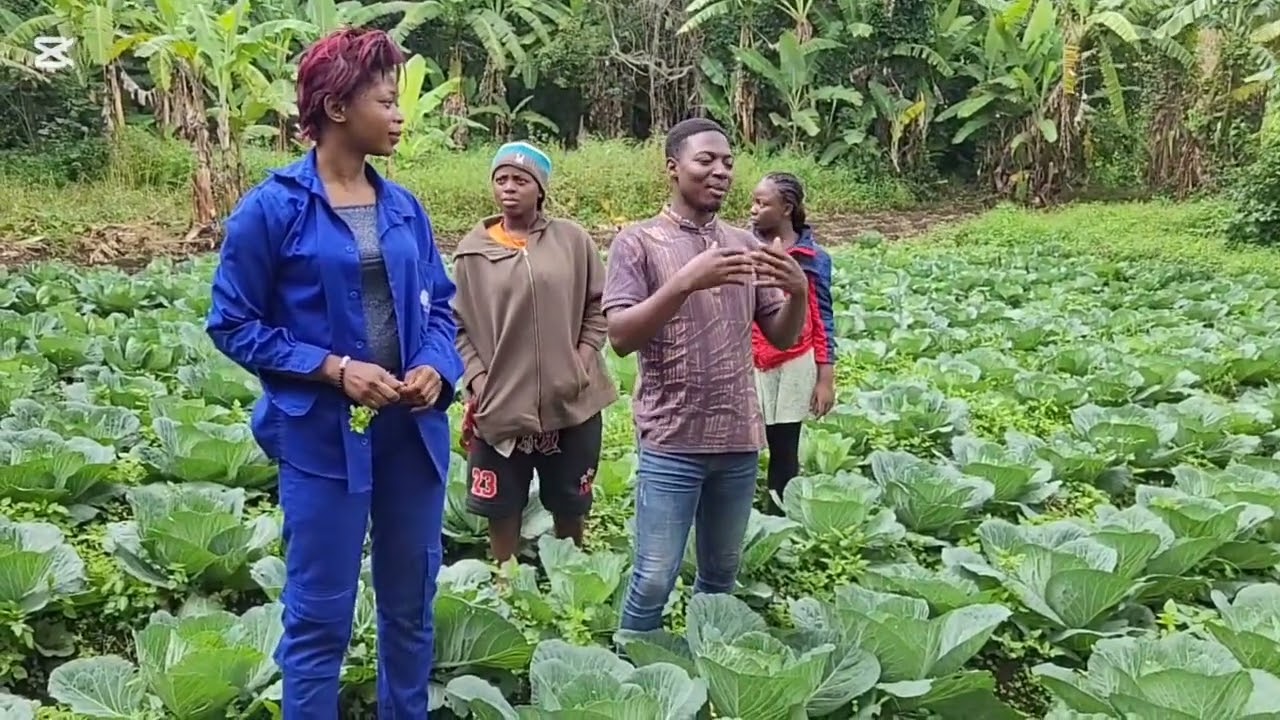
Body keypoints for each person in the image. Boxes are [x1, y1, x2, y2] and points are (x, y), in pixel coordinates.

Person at [204, 28, 461, 719]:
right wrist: (333, 368)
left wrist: (436, 367)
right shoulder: (273, 209)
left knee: (411, 608)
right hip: (321, 440)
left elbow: (443, 307)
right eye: (386, 100)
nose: (400, 115)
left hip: (410, 434)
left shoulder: (403, 206)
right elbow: (232, 323)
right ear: (339, 108)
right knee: (319, 619)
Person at [602, 117, 810, 632]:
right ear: (673, 169)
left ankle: (708, 658)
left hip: (738, 437)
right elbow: (622, 338)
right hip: (673, 438)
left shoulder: (744, 242)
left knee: (721, 573)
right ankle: (636, 672)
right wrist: (683, 283)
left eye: (728, 163)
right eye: (706, 161)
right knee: (653, 576)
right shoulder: (638, 242)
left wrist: (800, 292)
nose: (720, 171)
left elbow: (781, 336)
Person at [452, 141, 618, 563]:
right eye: (501, 179)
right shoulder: (473, 252)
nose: (509, 188)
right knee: (501, 503)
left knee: (570, 499)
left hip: (571, 399)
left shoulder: (573, 241)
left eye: (521, 180)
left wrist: (582, 356)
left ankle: (570, 569)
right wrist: (477, 378)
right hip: (502, 401)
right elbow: (457, 324)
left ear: (540, 189)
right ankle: (505, 578)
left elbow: (598, 303)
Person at [749, 172, 836, 513]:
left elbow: (823, 317)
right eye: (753, 202)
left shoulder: (813, 258)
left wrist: (826, 379)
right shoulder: (745, 246)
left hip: (796, 358)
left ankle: (779, 512)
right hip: (753, 357)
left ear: (786, 208)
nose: (753, 209)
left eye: (761, 203)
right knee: (748, 442)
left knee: (785, 445)